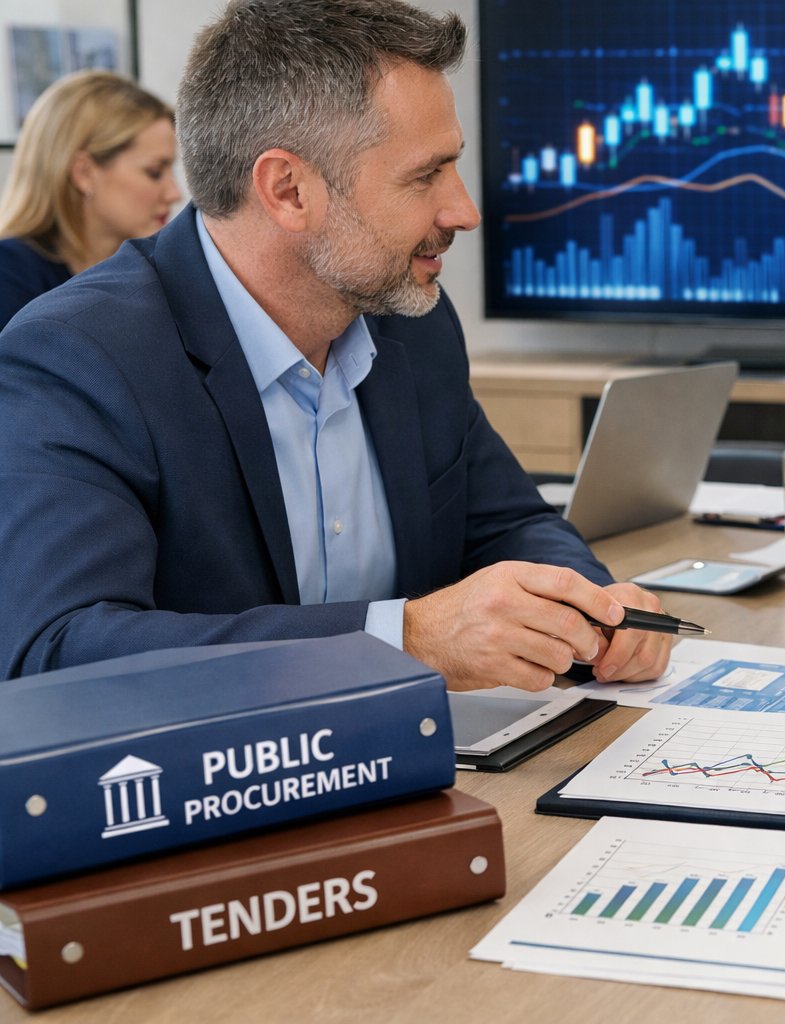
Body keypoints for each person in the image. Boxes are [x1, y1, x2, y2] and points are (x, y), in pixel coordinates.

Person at [0, 0, 671, 690]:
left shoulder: (414, 323)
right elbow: (56, 652)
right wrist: (405, 640)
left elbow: (506, 522)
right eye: (424, 175)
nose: (464, 211)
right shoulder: (77, 357)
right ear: (287, 189)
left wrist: (590, 605)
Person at [0, 70, 180, 328]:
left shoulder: (155, 275)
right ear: (84, 173)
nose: (174, 193)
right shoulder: (9, 276)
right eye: (154, 172)